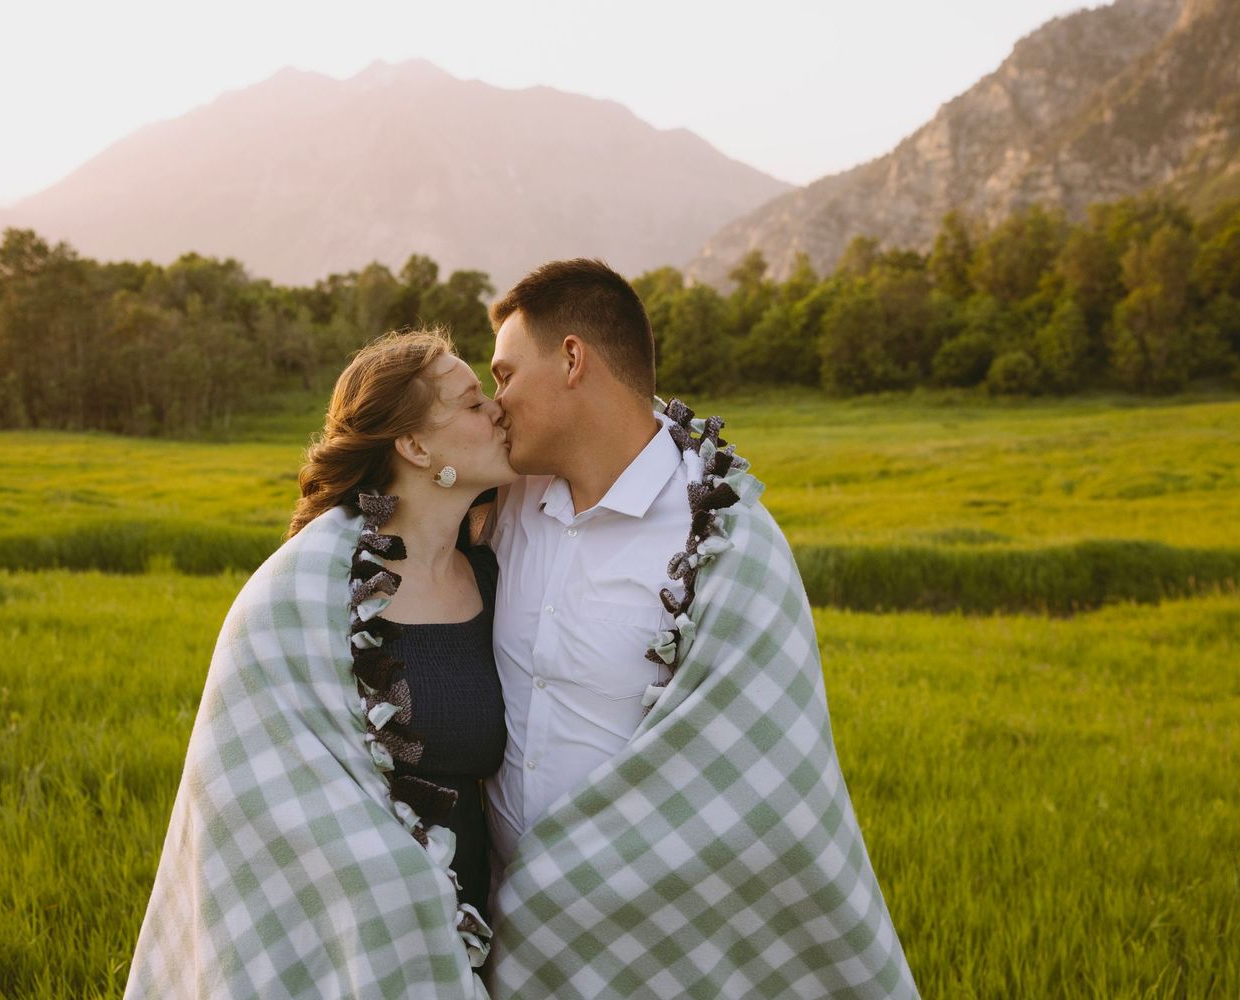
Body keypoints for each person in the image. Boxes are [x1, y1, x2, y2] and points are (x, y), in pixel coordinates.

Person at [481, 259, 920, 998]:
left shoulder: (726, 540)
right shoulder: (501, 507)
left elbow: (758, 780)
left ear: (571, 359)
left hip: (652, 945)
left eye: (503, 375)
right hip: (500, 946)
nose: (495, 402)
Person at [124, 329, 514, 999]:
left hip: (484, 904)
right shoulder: (306, 595)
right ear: (416, 448)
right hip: (360, 923)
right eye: (472, 401)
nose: (497, 410)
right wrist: (399, 894)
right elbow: (257, 795)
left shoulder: (496, 570)